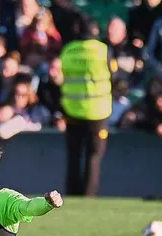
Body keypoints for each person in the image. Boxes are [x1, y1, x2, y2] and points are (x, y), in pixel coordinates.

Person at [60, 18, 113, 196]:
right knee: (94, 157)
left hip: (72, 110)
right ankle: (89, 196)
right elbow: (114, 73)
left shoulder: (67, 50)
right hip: (97, 113)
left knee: (73, 157)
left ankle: (71, 194)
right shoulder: (103, 50)